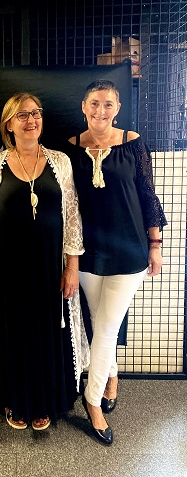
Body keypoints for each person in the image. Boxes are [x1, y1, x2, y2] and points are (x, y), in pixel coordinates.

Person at [0, 92, 90, 430]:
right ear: (9, 125)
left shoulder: (60, 161)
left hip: (50, 266)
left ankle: (45, 402)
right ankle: (18, 401)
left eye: (36, 113)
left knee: (48, 334)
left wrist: (72, 267)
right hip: (9, 267)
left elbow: (73, 215)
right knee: (15, 334)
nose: (31, 120)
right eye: (22, 115)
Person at [66, 79, 167, 445]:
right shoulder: (70, 149)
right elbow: (68, 205)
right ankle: (112, 376)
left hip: (130, 250)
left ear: (118, 108)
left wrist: (155, 244)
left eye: (108, 104)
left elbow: (148, 195)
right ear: (84, 106)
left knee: (107, 328)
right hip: (88, 252)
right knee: (98, 324)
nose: (101, 110)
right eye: (95, 103)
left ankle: (92, 401)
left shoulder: (133, 142)